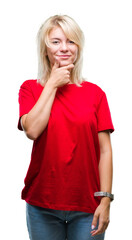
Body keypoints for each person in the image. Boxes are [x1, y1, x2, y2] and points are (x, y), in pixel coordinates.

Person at [18, 15, 115, 240]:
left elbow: (105, 151)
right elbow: (32, 130)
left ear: (78, 48)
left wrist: (106, 199)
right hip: (42, 205)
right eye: (56, 41)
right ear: (45, 48)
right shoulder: (30, 88)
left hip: (87, 206)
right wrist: (52, 83)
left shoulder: (95, 94)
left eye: (71, 41)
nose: (64, 48)